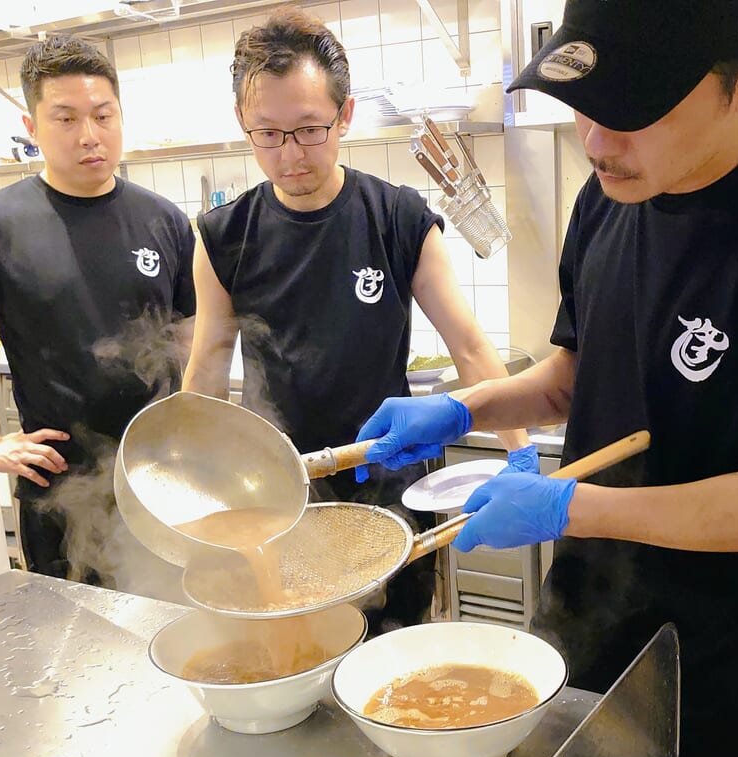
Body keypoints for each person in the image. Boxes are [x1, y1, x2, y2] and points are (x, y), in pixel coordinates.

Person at [353, 0, 738, 757]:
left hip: (710, 684)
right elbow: (575, 379)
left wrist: (569, 507)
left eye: (634, 112)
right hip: (576, 637)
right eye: (583, 107)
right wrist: (464, 408)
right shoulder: (609, 195)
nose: (595, 143)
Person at [182, 9, 532, 634]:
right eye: (268, 133)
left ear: (345, 116)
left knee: (390, 661)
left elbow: (470, 348)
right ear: (244, 123)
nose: (290, 155)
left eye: (310, 129)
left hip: (389, 486)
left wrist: (522, 458)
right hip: (282, 500)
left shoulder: (398, 219)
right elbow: (206, 368)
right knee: (295, 656)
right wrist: (188, 485)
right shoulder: (222, 238)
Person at [0, 36, 196, 583]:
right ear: (32, 124)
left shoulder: (162, 219)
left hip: (163, 484)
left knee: (174, 638)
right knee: (72, 649)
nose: (89, 136)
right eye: (65, 119)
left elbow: (189, 336)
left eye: (102, 115)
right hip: (59, 491)